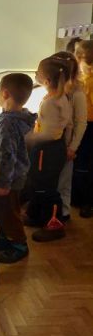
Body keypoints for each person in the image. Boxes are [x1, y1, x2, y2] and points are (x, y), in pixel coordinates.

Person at [0, 73, 36, 263]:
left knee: (8, 212)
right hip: (13, 176)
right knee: (0, 210)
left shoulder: (7, 122)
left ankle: (19, 244)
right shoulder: (17, 117)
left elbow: (8, 155)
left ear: (5, 94)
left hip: (7, 178)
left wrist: (3, 183)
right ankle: (5, 237)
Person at [25, 57, 72, 241]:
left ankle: (54, 225)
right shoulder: (59, 97)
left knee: (46, 188)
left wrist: (28, 138)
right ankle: (37, 216)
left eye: (37, 72)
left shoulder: (51, 102)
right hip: (53, 149)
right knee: (39, 185)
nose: (35, 74)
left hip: (47, 150)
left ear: (46, 80)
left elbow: (50, 134)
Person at [51, 51, 87, 221]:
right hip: (52, 144)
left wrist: (73, 147)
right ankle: (50, 213)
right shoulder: (54, 91)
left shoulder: (77, 94)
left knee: (63, 183)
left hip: (66, 145)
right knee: (53, 181)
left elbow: (81, 123)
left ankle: (62, 215)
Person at [73, 40, 93, 217]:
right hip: (84, 125)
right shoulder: (81, 80)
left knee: (84, 164)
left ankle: (86, 201)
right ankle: (81, 198)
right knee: (82, 163)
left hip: (88, 126)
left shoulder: (87, 81)